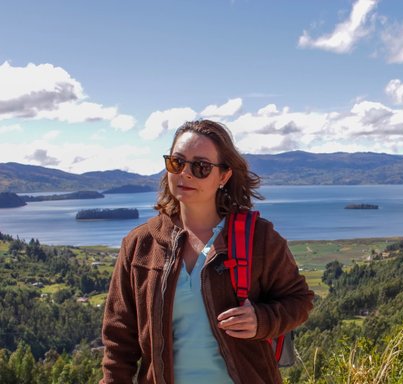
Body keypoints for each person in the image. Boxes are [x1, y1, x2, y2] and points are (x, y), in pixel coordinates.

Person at [100, 120, 314, 384]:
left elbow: (299, 300)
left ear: (224, 176)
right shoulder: (140, 245)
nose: (185, 174)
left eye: (201, 167)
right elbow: (119, 341)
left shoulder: (258, 238)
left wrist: (262, 320)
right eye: (177, 163)